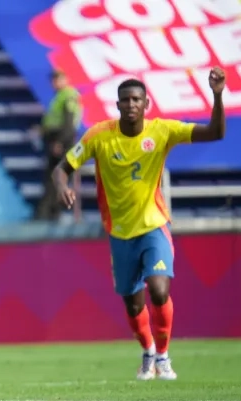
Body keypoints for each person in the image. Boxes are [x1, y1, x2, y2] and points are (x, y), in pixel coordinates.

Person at [52, 67, 226, 381]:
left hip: (154, 225)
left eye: (136, 99)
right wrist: (62, 186)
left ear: (146, 105)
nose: (131, 104)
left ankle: (163, 356)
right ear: (117, 105)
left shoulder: (162, 131)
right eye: (125, 100)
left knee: (159, 290)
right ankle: (147, 351)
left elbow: (215, 133)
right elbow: (61, 168)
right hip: (119, 233)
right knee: (134, 305)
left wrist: (216, 95)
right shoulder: (99, 136)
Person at [35, 69, 83, 221]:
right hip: (56, 140)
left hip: (62, 141)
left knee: (56, 178)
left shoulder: (68, 96)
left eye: (58, 79)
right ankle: (49, 213)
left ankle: (49, 213)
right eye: (53, 79)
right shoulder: (59, 96)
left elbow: (68, 123)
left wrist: (60, 142)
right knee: (53, 178)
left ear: (66, 79)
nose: (54, 83)